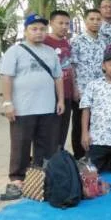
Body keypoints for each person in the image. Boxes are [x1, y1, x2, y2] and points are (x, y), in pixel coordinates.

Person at [0, 13, 64, 199]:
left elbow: (58, 77)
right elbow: (6, 77)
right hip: (23, 108)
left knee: (46, 145)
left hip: (47, 107)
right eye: (34, 29)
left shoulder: (50, 52)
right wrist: (7, 102)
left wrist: (60, 100)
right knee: (20, 144)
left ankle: (40, 175)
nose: (39, 32)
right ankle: (17, 178)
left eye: (42, 29)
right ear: (26, 31)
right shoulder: (15, 51)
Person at [70, 8, 106, 158]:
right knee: (79, 125)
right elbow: (72, 66)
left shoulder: (103, 42)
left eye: (98, 19)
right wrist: (75, 89)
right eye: (92, 19)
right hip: (82, 91)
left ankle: (93, 157)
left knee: (96, 123)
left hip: (100, 92)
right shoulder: (77, 41)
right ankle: (79, 157)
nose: (95, 22)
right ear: (85, 21)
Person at [44, 10, 74, 149]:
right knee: (50, 132)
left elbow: (70, 67)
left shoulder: (66, 43)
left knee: (63, 131)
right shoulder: (44, 42)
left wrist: (74, 89)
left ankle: (59, 156)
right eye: (60, 23)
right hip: (50, 95)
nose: (64, 26)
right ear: (51, 23)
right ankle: (46, 158)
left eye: (67, 24)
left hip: (66, 94)